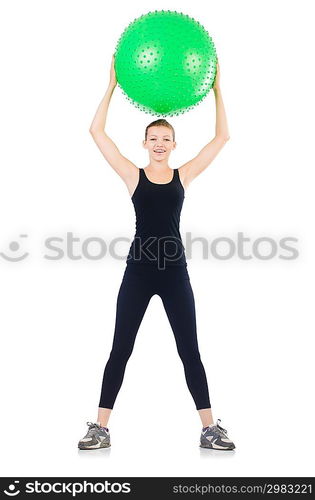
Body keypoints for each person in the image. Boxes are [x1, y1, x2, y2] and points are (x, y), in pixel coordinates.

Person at [78, 55, 235, 451]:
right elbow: (96, 132)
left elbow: (222, 139)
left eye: (166, 139)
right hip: (139, 271)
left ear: (174, 144)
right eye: (154, 139)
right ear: (145, 144)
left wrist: (217, 89)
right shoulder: (134, 175)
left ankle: (209, 428)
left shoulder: (185, 175)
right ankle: (100, 428)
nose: (160, 144)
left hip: (175, 272)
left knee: (190, 350)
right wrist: (111, 85)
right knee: (121, 348)